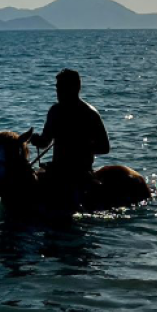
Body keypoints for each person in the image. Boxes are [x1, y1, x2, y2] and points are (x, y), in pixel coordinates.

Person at [30, 69, 110, 208]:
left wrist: (80, 146)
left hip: (79, 172)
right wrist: (37, 140)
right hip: (56, 170)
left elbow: (105, 147)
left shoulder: (89, 113)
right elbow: (45, 142)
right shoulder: (54, 111)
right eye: (57, 88)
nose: (58, 92)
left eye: (62, 87)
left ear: (75, 88)